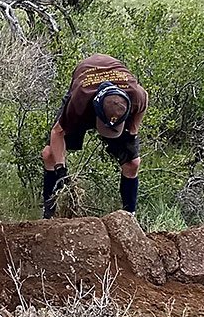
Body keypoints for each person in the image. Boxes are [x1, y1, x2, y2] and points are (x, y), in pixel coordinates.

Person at [41, 54, 148, 218]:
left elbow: (144, 102)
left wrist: (132, 131)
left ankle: (129, 216)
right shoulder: (79, 102)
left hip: (115, 89)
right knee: (49, 154)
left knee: (133, 163)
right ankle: (49, 212)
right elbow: (57, 132)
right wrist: (60, 168)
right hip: (86, 79)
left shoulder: (135, 96)